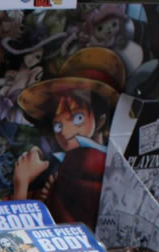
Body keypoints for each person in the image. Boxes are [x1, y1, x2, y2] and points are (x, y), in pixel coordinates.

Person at [13, 47, 126, 227]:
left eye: (78, 118)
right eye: (58, 125)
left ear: (100, 120)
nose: (65, 132)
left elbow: (26, 232)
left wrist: (22, 181)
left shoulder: (87, 160)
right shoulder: (66, 165)